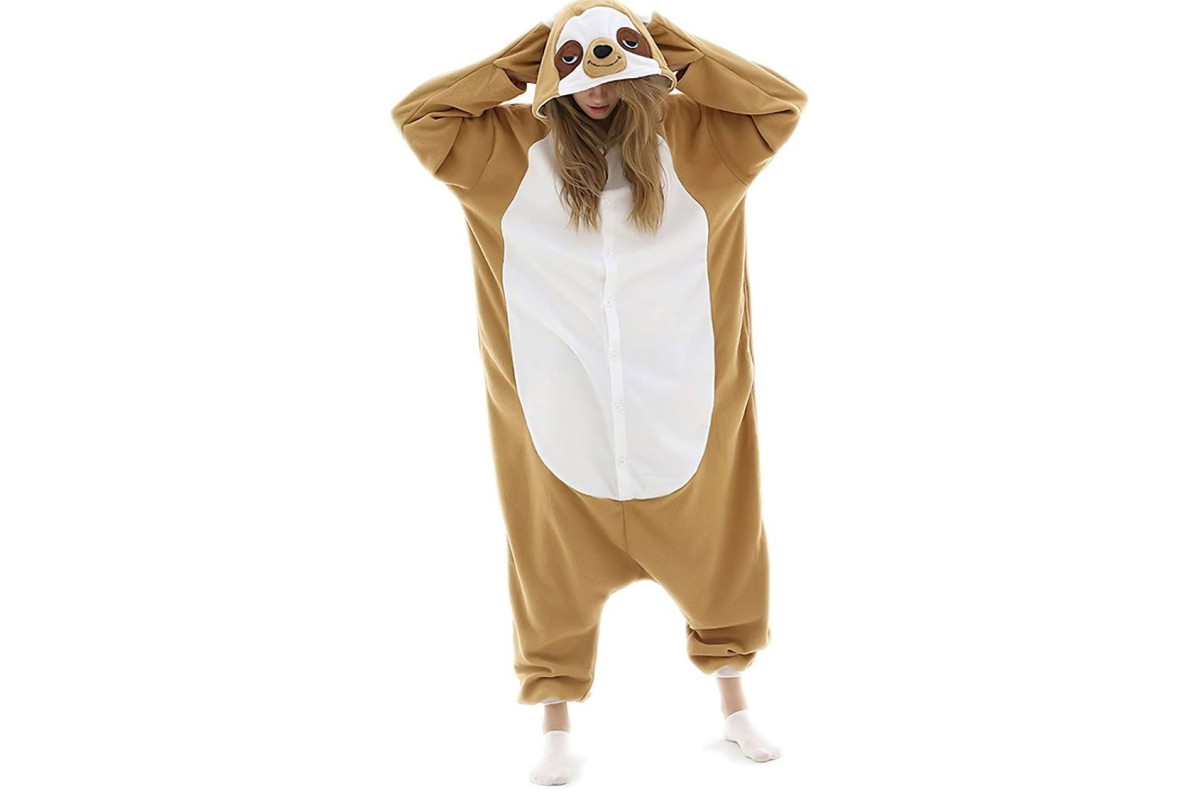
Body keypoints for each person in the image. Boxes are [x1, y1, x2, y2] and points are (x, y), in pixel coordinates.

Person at [390, 1, 806, 785]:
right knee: (549, 577)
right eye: (576, 71)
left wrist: (678, 52)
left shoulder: (700, 145)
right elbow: (420, 116)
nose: (597, 88)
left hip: (681, 412)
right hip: (562, 423)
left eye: (616, 67)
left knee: (723, 563)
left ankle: (734, 706)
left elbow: (780, 105)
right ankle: (555, 722)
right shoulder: (509, 157)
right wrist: (520, 64)